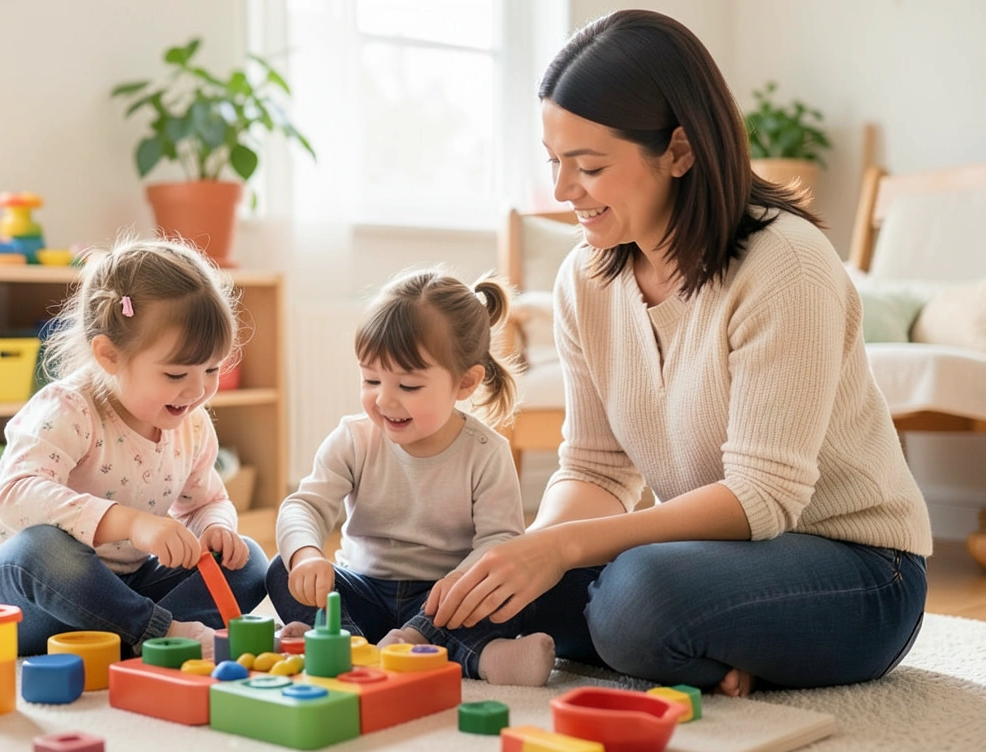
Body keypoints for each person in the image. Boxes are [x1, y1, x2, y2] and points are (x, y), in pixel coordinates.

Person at [421, 9, 933, 697]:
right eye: (555, 164)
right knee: (488, 584)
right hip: (714, 560)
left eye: (590, 166)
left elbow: (764, 497)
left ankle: (685, 641)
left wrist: (564, 548)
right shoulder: (586, 277)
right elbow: (596, 467)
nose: (563, 191)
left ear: (680, 152)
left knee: (638, 596)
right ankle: (709, 653)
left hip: (859, 571)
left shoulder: (788, 265)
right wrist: (528, 550)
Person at [0, 238, 269, 658]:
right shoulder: (69, 408)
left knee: (248, 562)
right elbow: (15, 495)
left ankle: (122, 633)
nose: (198, 389)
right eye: (175, 374)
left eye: (212, 368)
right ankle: (155, 631)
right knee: (45, 548)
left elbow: (206, 501)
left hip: (107, 592)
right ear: (109, 356)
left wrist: (214, 527)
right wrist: (132, 524)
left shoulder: (191, 423)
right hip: (2, 594)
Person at [267, 268, 557, 687]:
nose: (384, 399)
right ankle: (346, 643)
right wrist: (306, 555)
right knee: (281, 568)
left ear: (465, 383)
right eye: (370, 379)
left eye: (408, 385)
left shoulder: (486, 452)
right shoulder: (355, 439)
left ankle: (482, 656)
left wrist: (457, 587)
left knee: (501, 595)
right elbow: (304, 506)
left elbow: (500, 542)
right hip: (363, 587)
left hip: (444, 598)